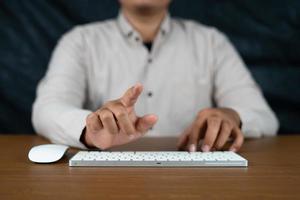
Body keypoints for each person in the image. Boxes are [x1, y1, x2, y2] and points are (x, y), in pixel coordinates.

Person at [32, 0, 279, 152]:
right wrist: (89, 130)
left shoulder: (211, 42)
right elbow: (46, 109)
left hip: (196, 180)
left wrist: (232, 116)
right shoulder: (79, 41)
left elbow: (264, 117)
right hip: (104, 180)